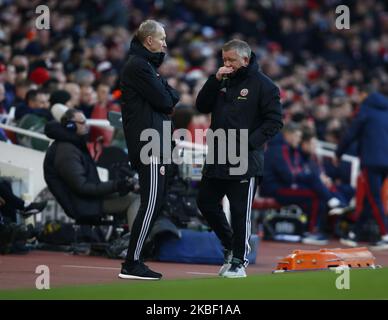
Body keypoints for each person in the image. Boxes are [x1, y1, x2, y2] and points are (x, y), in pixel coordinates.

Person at [196, 39, 283, 278]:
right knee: (205, 201)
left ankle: (238, 261)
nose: (227, 64)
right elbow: (201, 105)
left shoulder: (264, 85)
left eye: (231, 60)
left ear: (245, 59)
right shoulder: (221, 81)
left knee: (239, 211)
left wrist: (247, 144)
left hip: (245, 159)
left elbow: (274, 122)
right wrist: (213, 80)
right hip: (218, 155)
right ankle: (230, 245)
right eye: (224, 59)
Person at [119, 20, 180, 280]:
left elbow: (170, 96)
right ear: (149, 41)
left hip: (156, 143)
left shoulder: (145, 66)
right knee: (151, 203)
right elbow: (167, 100)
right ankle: (132, 263)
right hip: (149, 145)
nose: (165, 43)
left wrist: (168, 94)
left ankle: (134, 260)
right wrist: (168, 95)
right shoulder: (139, 67)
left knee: (154, 204)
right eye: (162, 38)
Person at [43, 109, 140, 227]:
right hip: (84, 204)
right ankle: (138, 241)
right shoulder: (66, 151)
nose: (86, 125)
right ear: (70, 126)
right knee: (135, 200)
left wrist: (121, 185)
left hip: (89, 200)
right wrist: (117, 185)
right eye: (82, 122)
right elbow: (82, 187)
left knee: (135, 196)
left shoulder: (72, 145)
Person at [261, 122, 350, 245]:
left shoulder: (289, 149)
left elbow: (295, 173)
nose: (299, 139)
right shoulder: (280, 149)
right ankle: (311, 230)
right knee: (314, 191)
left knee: (315, 187)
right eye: (297, 136)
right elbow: (289, 175)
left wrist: (302, 177)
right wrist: (304, 177)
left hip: (286, 186)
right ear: (288, 135)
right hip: (275, 189)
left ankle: (328, 210)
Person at [336, 85, 388, 250]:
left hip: (371, 161)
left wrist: (338, 153)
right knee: (368, 198)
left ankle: (385, 235)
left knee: (374, 198)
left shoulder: (365, 110)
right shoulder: (385, 110)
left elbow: (352, 133)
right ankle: (355, 234)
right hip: (386, 160)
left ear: (365, 95)